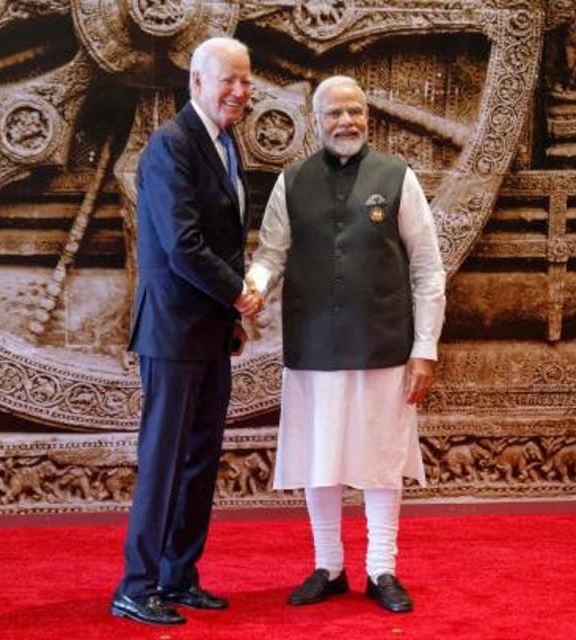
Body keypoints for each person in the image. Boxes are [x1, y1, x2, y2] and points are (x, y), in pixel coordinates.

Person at [246, 75, 446, 613]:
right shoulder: (291, 182)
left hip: (383, 344)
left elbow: (428, 269)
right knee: (320, 458)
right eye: (334, 113)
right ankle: (328, 565)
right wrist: (256, 286)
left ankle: (382, 567)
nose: (346, 122)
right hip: (312, 346)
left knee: (381, 459)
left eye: (355, 111)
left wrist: (424, 346)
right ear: (316, 120)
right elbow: (271, 253)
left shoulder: (397, 177)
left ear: (367, 116)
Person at [110, 36, 262, 626]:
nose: (241, 91)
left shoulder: (224, 143)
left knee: (199, 459)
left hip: (209, 331)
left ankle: (178, 576)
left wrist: (228, 316)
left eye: (247, 81)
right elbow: (183, 246)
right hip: (173, 333)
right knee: (164, 459)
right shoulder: (171, 145)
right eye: (229, 79)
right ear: (196, 81)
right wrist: (237, 293)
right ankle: (136, 585)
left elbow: (216, 238)